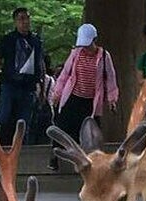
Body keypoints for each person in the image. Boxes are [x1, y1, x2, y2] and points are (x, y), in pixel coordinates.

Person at [49, 24, 118, 171]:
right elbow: (65, 74)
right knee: (63, 126)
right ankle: (55, 157)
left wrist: (112, 99)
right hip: (73, 97)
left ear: (94, 40)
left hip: (91, 102)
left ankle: (93, 164)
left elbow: (111, 79)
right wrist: (57, 93)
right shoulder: (76, 54)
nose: (85, 48)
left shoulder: (104, 56)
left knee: (91, 132)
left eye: (88, 44)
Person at [0, 6, 44, 147]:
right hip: (9, 85)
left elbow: (40, 65)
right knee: (3, 117)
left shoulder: (36, 41)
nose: (25, 22)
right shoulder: (7, 40)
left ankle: (21, 151)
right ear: (15, 22)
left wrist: (42, 90)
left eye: (27, 18)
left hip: (28, 87)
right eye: (21, 19)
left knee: (23, 123)